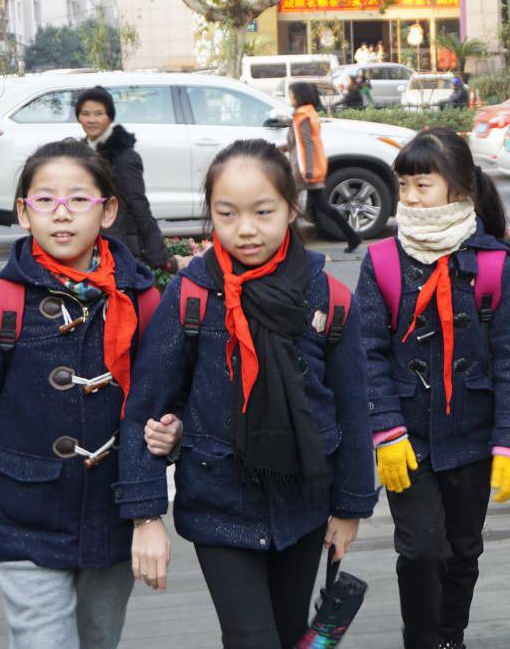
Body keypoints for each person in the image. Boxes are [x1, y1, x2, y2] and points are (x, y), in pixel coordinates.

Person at [117, 140, 376, 648]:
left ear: (291, 208)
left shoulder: (328, 297)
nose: (246, 229)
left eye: (263, 211)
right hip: (219, 504)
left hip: (303, 504)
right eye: (227, 214)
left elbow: (351, 408)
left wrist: (350, 509)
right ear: (211, 212)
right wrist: (146, 515)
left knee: (288, 634)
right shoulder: (192, 295)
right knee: (251, 638)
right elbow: (145, 409)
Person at [0, 141, 180, 648]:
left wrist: (155, 490)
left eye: (78, 199)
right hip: (24, 513)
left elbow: (157, 410)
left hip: (113, 515)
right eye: (44, 200)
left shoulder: (144, 299)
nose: (61, 214)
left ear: (109, 209)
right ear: (23, 212)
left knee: (98, 639)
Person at [357, 128, 510, 649]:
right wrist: (386, 430)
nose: (408, 197)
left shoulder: (494, 265)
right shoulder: (384, 261)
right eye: (403, 184)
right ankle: (423, 640)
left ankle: (449, 637)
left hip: (474, 440)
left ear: (458, 189)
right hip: (407, 440)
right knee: (420, 551)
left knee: (462, 549)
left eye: (421, 185)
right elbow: (367, 353)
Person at [75, 87, 181, 273]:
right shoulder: (80, 153)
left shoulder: (123, 156)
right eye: (86, 114)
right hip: (88, 241)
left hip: (119, 244)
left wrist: (157, 254)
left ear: (110, 117)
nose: (91, 119)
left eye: (99, 113)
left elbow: (138, 203)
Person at [284, 81, 362, 252]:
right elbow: (298, 143)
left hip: (304, 169)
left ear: (299, 97)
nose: (289, 97)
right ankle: (352, 236)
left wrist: (309, 170)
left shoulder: (302, 117)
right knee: (319, 207)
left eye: (291, 94)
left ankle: (291, 246)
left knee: (290, 206)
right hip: (309, 168)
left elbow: (307, 144)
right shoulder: (306, 114)